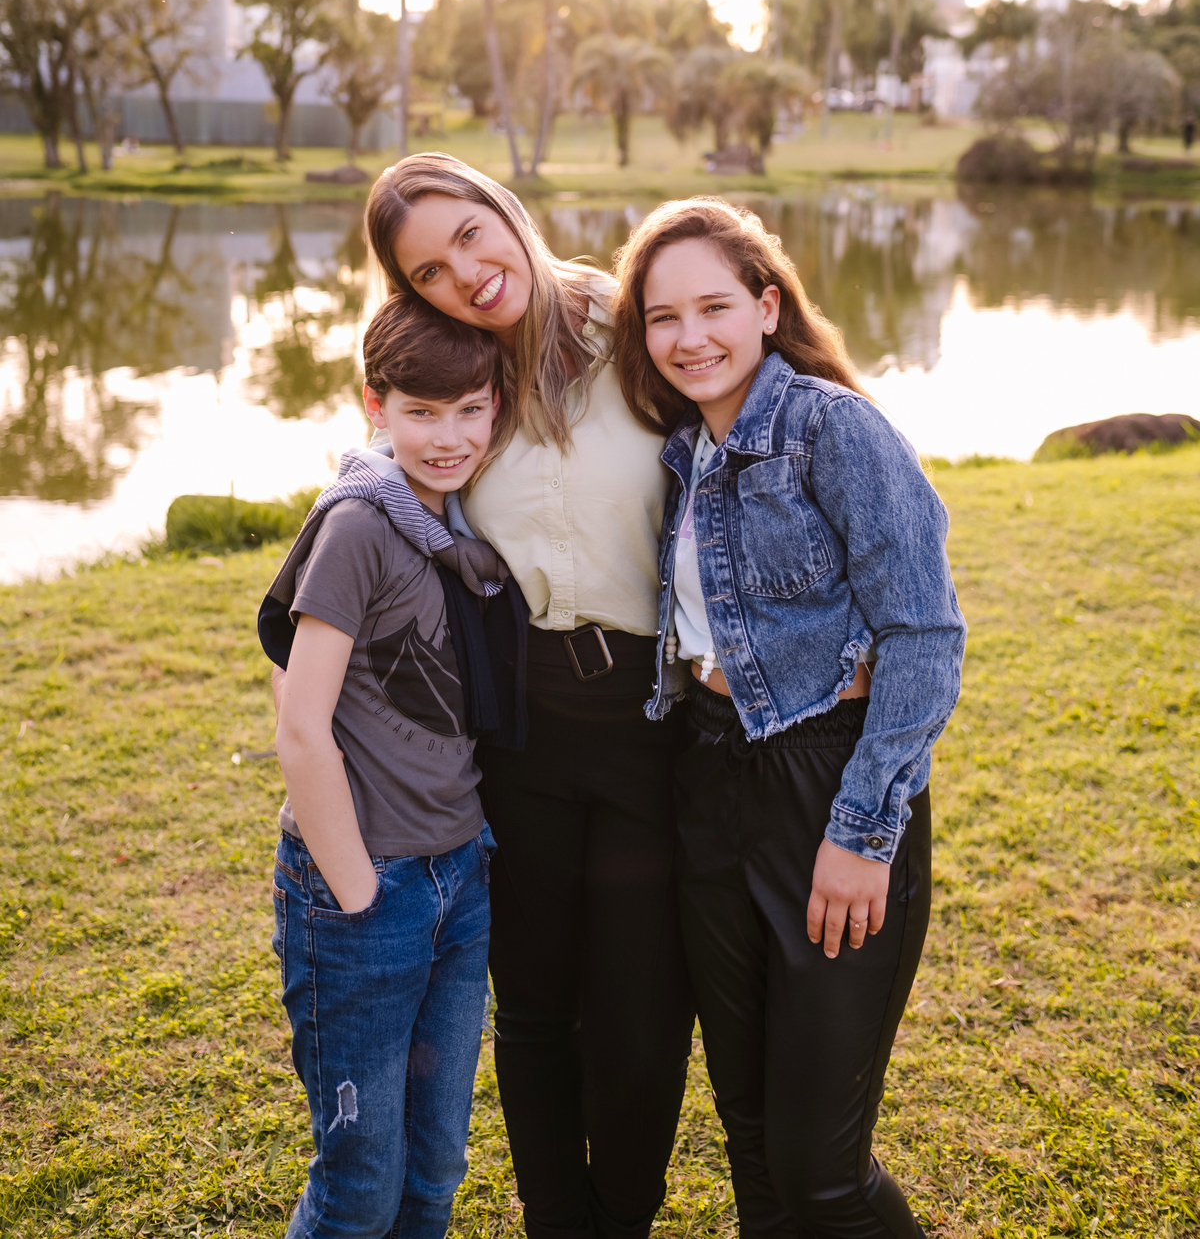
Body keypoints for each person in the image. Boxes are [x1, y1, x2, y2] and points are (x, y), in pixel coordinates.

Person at [611, 197, 966, 1239]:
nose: (691, 337)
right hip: (711, 781)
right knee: (755, 1141)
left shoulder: (833, 428)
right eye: (662, 317)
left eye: (715, 305)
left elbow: (924, 636)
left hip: (827, 783)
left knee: (822, 1171)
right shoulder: (686, 451)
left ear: (768, 305)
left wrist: (862, 835)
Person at [364, 155, 695, 1239]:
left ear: (505, 210)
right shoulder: (455, 383)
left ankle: (622, 1218)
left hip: (655, 718)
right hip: (523, 725)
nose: (465, 271)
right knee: (539, 1005)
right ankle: (558, 1219)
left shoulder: (634, 322)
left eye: (470, 233)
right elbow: (384, 496)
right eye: (429, 268)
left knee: (643, 1015)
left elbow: (763, 422)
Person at [260, 293, 513, 1239]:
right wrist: (359, 891)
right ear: (376, 406)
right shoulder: (364, 524)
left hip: (460, 877)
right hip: (369, 892)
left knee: (436, 1167)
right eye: (421, 412)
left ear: (496, 406)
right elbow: (299, 720)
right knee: (361, 1180)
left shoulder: (456, 523)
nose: (447, 437)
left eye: (469, 411)